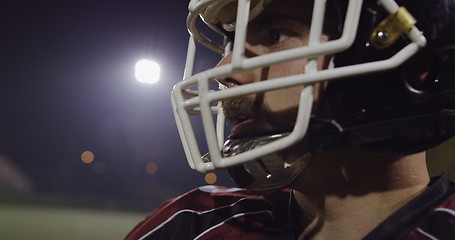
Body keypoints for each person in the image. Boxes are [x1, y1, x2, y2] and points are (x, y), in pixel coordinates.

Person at [126, 0, 455, 239]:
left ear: (409, 67)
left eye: (276, 35)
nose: (224, 73)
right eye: (232, 43)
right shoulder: (192, 226)